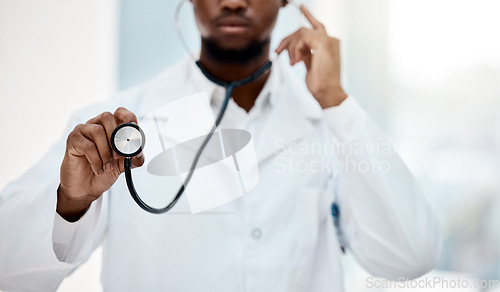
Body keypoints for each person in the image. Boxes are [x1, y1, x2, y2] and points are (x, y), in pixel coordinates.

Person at [0, 0, 442, 291]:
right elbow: (9, 270)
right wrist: (70, 202)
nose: (232, 1)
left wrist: (336, 102)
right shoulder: (118, 123)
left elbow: (410, 256)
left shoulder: (327, 123)